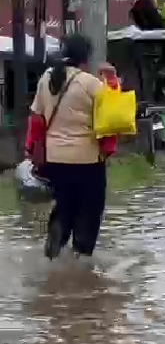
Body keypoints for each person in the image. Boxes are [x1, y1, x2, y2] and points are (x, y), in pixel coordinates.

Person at [28, 33, 110, 260]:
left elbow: (36, 120)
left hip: (55, 160)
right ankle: (81, 261)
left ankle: (54, 249)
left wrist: (32, 151)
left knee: (64, 207)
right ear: (85, 57)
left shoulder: (46, 79)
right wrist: (112, 80)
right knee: (88, 211)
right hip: (88, 160)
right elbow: (111, 119)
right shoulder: (91, 84)